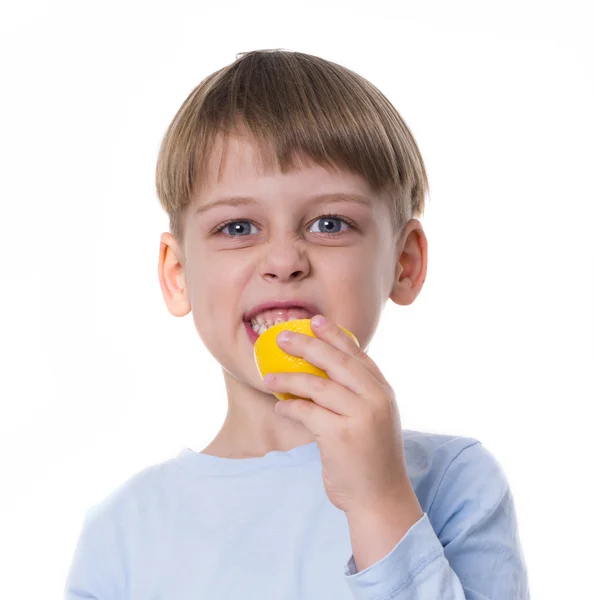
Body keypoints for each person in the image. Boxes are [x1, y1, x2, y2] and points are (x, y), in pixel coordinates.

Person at [64, 49, 530, 599]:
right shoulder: (121, 534)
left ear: (404, 262)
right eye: (238, 227)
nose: (284, 260)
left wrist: (378, 500)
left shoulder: (455, 483)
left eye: (329, 223)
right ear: (177, 273)